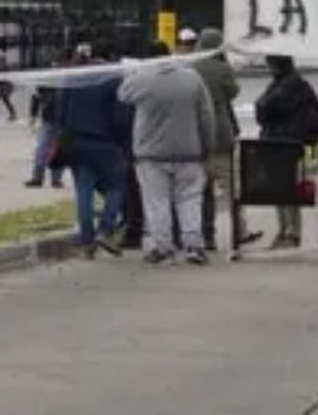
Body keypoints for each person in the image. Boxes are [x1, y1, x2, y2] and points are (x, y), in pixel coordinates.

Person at [119, 42, 216, 265]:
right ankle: (194, 245)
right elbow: (206, 115)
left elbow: (122, 94)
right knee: (190, 199)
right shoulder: (192, 78)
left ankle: (163, 247)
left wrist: (134, 71)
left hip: (151, 153)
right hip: (189, 150)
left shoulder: (140, 80)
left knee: (156, 201)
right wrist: (206, 146)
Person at [54, 49, 131, 259]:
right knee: (116, 186)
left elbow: (60, 114)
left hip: (77, 142)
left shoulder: (72, 80)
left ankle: (86, 241)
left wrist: (63, 137)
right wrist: (123, 142)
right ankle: (106, 229)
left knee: (84, 190)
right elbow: (121, 118)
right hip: (106, 143)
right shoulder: (112, 81)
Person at [193, 28, 258, 252]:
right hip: (221, 134)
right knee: (231, 189)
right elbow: (233, 92)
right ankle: (240, 231)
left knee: (201, 191)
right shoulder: (222, 69)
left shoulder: (191, 67)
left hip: (197, 137)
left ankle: (205, 234)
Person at [254, 54, 318, 250]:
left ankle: (289, 230)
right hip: (292, 143)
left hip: (281, 142)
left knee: (282, 189)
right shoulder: (300, 85)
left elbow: (264, 107)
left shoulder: (284, 87)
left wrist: (262, 106)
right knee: (287, 188)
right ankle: (289, 230)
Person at [25, 81, 66, 189]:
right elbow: (36, 97)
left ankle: (56, 179)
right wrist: (33, 115)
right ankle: (37, 178)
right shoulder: (46, 80)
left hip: (63, 120)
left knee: (58, 148)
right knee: (41, 148)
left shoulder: (67, 79)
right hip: (48, 119)